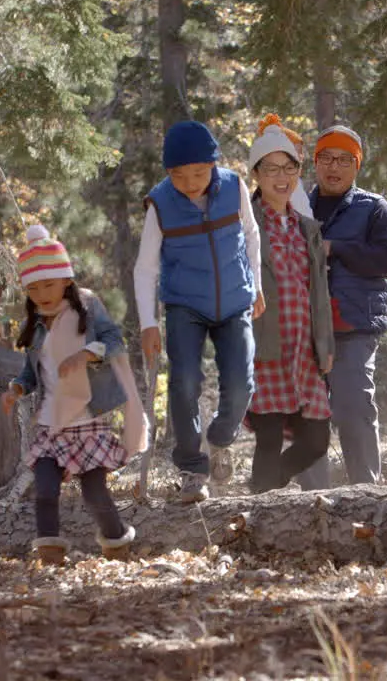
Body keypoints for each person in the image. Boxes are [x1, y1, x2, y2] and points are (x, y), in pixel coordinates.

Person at [1, 225, 148, 565]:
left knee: (95, 494)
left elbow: (115, 341)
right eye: (34, 288)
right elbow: (32, 371)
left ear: (66, 279)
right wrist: (16, 388)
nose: (42, 293)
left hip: (88, 419)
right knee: (45, 491)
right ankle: (50, 553)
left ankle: (116, 547)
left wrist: (87, 354)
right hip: (52, 424)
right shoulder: (37, 324)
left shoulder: (88, 307)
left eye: (49, 284)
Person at [134, 120, 264, 503]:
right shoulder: (159, 204)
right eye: (179, 175)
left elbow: (252, 234)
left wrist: (256, 284)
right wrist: (148, 323)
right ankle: (192, 469)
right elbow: (145, 268)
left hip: (235, 300)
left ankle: (220, 440)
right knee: (185, 382)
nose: (190, 183)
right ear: (168, 173)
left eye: (199, 174)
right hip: (185, 305)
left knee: (242, 382)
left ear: (213, 166)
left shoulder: (235, 186)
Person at [299, 125, 387, 488]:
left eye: (344, 160)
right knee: (307, 413)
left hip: (353, 325)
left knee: (354, 407)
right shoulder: (296, 205)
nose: (334, 166)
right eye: (326, 158)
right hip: (303, 327)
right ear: (315, 163)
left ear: (356, 166)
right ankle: (313, 498)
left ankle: (366, 491)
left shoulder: (373, 208)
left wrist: (337, 248)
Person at [243, 116, 335, 493]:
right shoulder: (246, 224)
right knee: (267, 437)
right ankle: (261, 510)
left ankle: (263, 490)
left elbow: (319, 292)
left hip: (305, 349)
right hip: (266, 345)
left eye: (288, 168)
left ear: (298, 172)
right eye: (271, 170)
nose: (281, 178)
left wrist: (325, 344)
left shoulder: (307, 228)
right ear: (257, 175)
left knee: (316, 440)